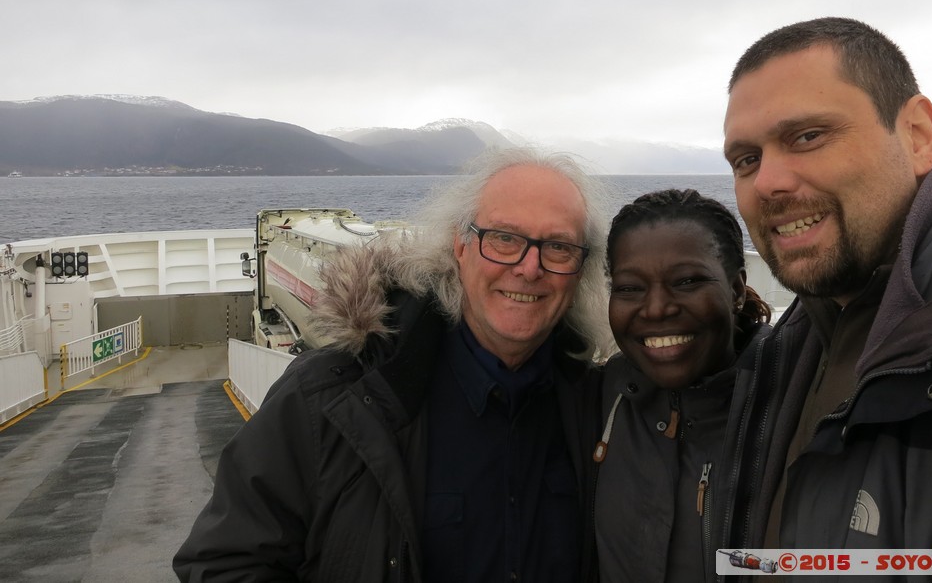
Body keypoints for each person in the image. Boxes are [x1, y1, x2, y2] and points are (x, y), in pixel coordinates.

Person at [173, 146, 612, 582]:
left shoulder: (599, 411)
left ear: (581, 268)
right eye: (504, 238)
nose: (529, 267)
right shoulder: (327, 401)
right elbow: (223, 564)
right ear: (459, 246)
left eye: (558, 247)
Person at [720, 16, 932, 558]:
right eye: (747, 160)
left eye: (808, 136)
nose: (767, 182)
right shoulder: (800, 332)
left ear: (918, 136)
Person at [593, 188, 772, 582]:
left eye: (687, 281)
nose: (657, 308)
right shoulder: (603, 399)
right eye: (629, 288)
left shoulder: (792, 407)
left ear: (737, 290)